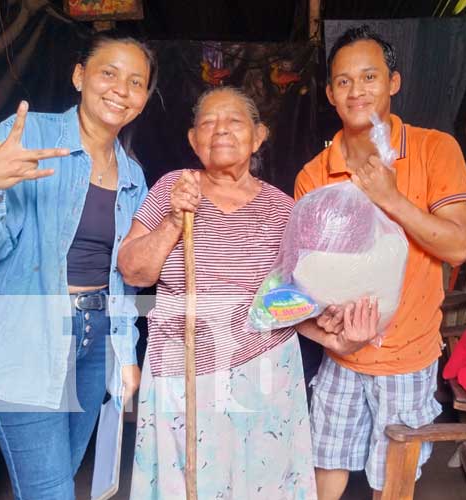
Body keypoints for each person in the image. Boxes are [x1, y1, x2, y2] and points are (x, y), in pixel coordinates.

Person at [0, 32, 156, 500]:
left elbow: (123, 281)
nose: (122, 88)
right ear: (80, 77)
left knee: (63, 473)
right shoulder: (29, 136)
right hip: (27, 337)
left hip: (97, 339)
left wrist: (126, 353)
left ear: (143, 98)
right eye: (108, 73)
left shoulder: (133, 173)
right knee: (52, 490)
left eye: (136, 82)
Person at [121, 86, 362, 499]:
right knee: (187, 483)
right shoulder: (171, 190)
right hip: (184, 367)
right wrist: (173, 223)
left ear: (259, 136)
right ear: (193, 141)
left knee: (261, 483)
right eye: (208, 123)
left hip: (265, 370)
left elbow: (288, 304)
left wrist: (332, 332)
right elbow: (134, 272)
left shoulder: (284, 209)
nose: (220, 131)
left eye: (234, 121)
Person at [294, 26, 466, 499]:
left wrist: (390, 199)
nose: (358, 91)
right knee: (325, 465)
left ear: (393, 82)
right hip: (343, 353)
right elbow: (307, 272)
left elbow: (457, 246)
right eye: (344, 81)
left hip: (408, 354)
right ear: (331, 93)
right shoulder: (314, 176)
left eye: (369, 77)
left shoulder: (436, 149)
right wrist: (331, 323)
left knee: (392, 482)